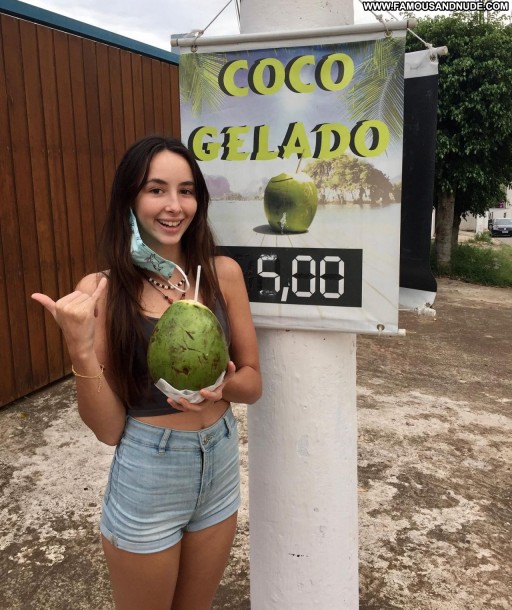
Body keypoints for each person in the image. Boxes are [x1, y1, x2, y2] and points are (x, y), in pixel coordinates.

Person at [31, 135, 262, 610]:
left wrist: (223, 388)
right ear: (130, 199)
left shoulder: (222, 274)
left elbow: (253, 382)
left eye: (186, 191)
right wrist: (79, 349)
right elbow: (108, 429)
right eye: (157, 189)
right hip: (149, 469)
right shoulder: (102, 290)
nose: (174, 205)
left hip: (219, 460)